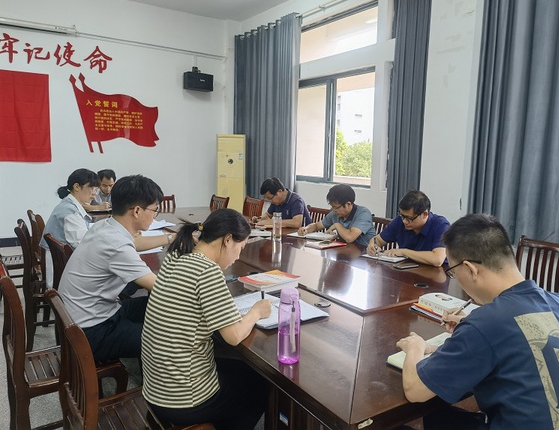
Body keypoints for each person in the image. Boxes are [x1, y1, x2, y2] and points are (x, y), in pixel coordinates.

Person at [396, 214, 559, 430]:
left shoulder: (485, 323)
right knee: (440, 417)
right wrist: (472, 329)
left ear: (471, 269)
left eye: (453, 272)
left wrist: (415, 347)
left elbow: (415, 390)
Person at [142, 209, 272, 429]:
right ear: (228, 240)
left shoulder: (177, 255)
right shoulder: (207, 270)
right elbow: (233, 336)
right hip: (183, 399)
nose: (238, 256)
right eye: (240, 248)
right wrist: (256, 312)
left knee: (240, 369)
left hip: (157, 386)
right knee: (260, 385)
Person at [58, 174, 167, 363]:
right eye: (154, 210)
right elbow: (162, 289)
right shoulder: (116, 244)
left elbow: (134, 244)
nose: (154, 215)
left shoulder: (105, 226)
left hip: (86, 316)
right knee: (169, 338)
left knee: (153, 305)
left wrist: (171, 239)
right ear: (137, 211)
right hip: (91, 332)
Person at [40, 168, 100, 287]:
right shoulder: (70, 212)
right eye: (92, 188)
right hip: (63, 272)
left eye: (96, 190)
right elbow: (83, 245)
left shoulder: (68, 204)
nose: (94, 193)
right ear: (77, 187)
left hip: (60, 264)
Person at [367, 190, 449, 266]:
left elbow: (437, 259)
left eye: (409, 218)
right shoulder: (399, 221)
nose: (404, 221)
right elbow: (377, 240)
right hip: (406, 270)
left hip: (435, 273)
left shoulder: (441, 225)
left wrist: (404, 252)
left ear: (424, 214)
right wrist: (373, 246)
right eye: (402, 216)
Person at [298, 184, 376, 246]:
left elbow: (350, 237)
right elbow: (317, 226)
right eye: (332, 206)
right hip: (344, 252)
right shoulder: (336, 213)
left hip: (364, 255)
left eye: (336, 207)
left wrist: (336, 225)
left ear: (348, 204)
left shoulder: (363, 214)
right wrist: (306, 229)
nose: (333, 210)